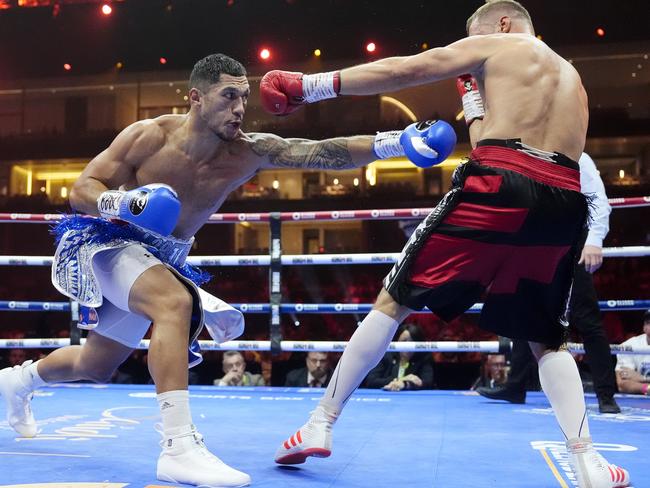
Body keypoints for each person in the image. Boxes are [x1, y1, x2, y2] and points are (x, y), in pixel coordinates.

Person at [0, 54, 455, 488]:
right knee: (174, 302)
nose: (240, 109)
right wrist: (123, 202)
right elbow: (84, 186)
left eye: (243, 97)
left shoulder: (247, 152)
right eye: (228, 97)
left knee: (94, 365)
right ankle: (178, 448)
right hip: (110, 241)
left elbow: (318, 152)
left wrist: (395, 142)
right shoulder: (149, 136)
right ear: (195, 98)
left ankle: (16, 381)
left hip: (161, 258)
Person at [263, 2, 630, 486]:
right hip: (563, 202)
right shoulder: (573, 79)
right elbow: (502, 142)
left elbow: (406, 70)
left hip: (499, 183)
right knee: (548, 338)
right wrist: (475, 105)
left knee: (393, 301)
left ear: (501, 24)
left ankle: (319, 424)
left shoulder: (500, 43)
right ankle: (588, 462)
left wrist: (310, 87)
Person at [476, 152, 622, 414]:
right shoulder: (527, 153)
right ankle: (515, 386)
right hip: (534, 240)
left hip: (571, 239)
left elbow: (598, 198)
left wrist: (595, 240)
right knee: (524, 311)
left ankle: (605, 395)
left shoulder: (577, 155)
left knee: (586, 318)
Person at [365, 323, 434, 390]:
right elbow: (371, 381)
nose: (408, 345)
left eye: (412, 341)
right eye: (404, 341)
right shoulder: (385, 355)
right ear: (396, 341)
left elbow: (427, 383)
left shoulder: (424, 358)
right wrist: (401, 380)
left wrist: (405, 384)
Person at [615, 310, 650, 395]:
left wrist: (643, 378)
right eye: (648, 323)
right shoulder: (629, 346)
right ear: (644, 327)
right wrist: (647, 388)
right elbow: (622, 384)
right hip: (641, 401)